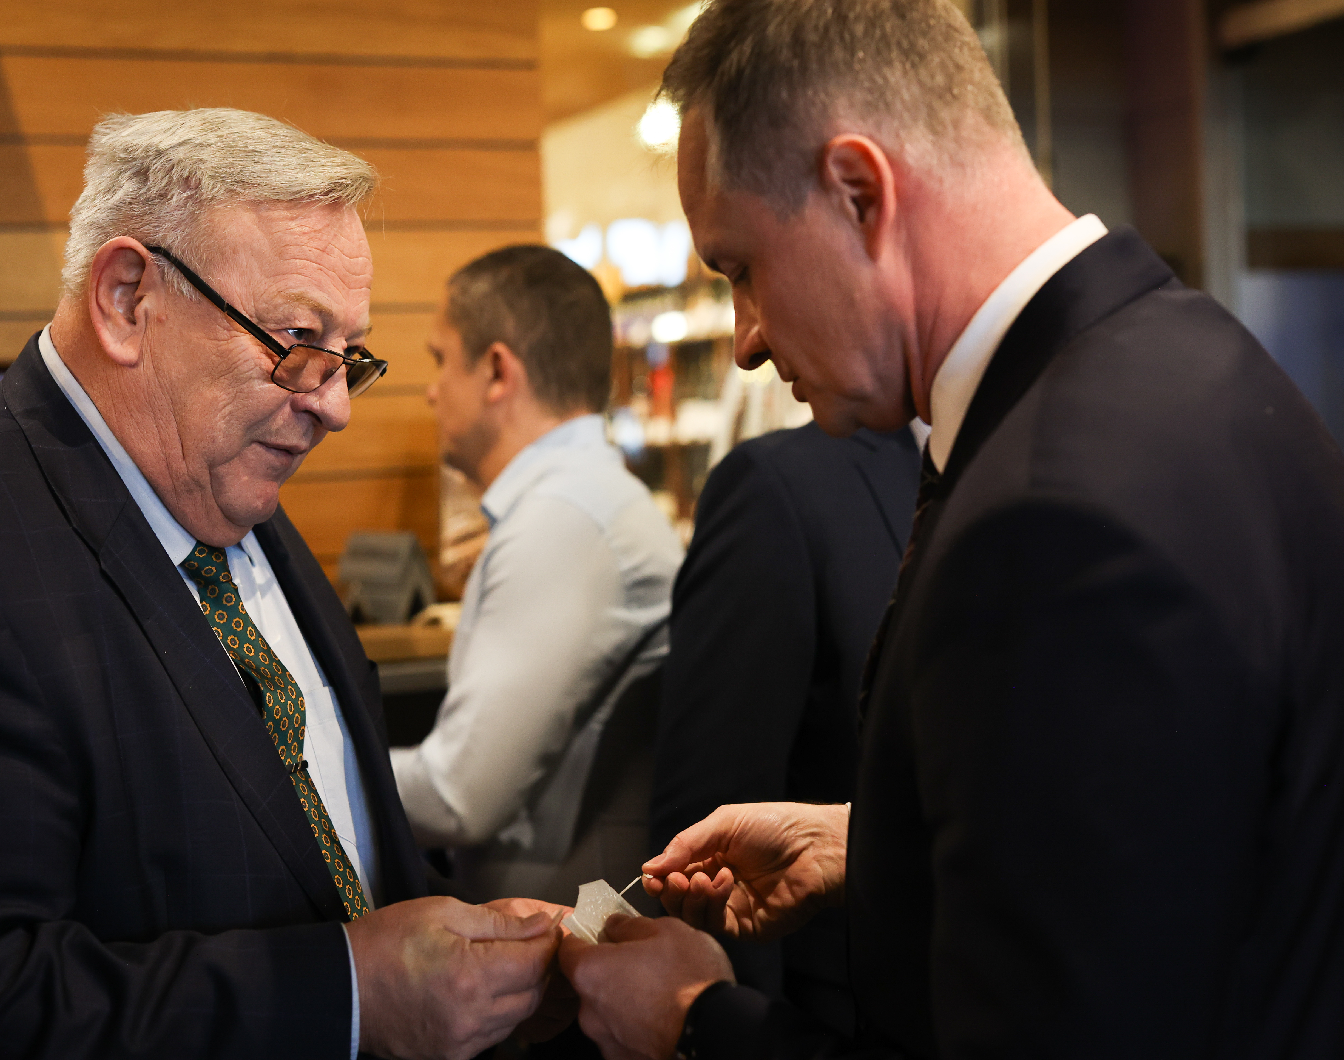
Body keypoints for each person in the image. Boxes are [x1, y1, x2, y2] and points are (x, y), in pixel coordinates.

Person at [559, 2, 1344, 1057]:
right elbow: (1188, 847)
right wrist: (885, 842)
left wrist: (696, 1020)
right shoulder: (1198, 356)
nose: (745, 341)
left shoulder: (1051, 518)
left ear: (859, 191)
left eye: (741, 267)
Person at [0, 108, 568, 1060]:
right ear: (127, 298)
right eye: (298, 339)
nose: (336, 406)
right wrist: (350, 994)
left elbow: (317, 847)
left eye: (348, 355)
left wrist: (464, 958)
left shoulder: (226, 480)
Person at [391, 245, 683, 902]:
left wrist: (298, 781)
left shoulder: (566, 517)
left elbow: (459, 794)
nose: (432, 390)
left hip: (571, 937)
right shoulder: (578, 502)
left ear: (498, 371)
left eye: (441, 360)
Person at [650, 420, 918, 1032]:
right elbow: (710, 814)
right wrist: (726, 1026)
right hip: (834, 1017)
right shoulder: (776, 485)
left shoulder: (1031, 456)